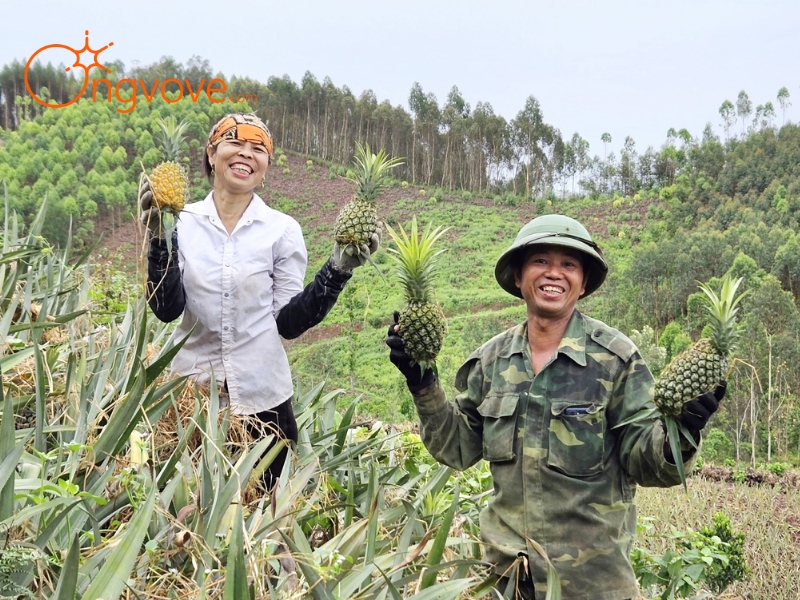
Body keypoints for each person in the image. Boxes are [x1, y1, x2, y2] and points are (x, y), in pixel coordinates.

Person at [386, 214, 725, 599]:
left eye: (569, 264)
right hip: (506, 580)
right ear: (518, 276)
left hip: (591, 585)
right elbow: (457, 447)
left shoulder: (616, 360)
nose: (554, 273)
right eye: (540, 261)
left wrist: (682, 431)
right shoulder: (492, 361)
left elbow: (645, 463)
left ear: (582, 283)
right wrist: (422, 382)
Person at [140, 112, 378, 491]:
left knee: (267, 521)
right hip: (192, 401)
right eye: (235, 143)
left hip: (264, 404)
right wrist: (159, 239)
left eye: (258, 148)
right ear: (212, 153)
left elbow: (288, 322)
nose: (246, 153)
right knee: (187, 515)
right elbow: (167, 310)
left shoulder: (282, 230)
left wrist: (337, 271)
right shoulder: (182, 221)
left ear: (266, 166)